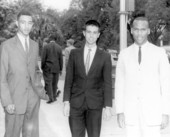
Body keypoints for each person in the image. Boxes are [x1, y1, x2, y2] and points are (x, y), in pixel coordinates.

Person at [115, 16, 170, 137]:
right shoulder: (124, 54)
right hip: (131, 116)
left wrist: (166, 112)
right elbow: (119, 84)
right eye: (136, 29)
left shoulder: (159, 53)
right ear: (132, 31)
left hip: (153, 114)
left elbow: (166, 85)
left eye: (143, 29)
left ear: (148, 31)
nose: (139, 33)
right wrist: (119, 111)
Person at [0, 10, 49, 137]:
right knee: (12, 134)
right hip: (14, 100)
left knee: (32, 134)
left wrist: (40, 91)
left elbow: (36, 70)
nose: (26, 26)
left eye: (29, 23)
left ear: (32, 25)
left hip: (33, 100)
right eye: (23, 23)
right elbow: (2, 77)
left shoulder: (35, 45)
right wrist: (7, 101)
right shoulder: (6, 46)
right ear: (17, 23)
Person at [63, 20, 113, 137]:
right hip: (76, 104)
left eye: (95, 32)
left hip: (95, 104)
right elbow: (69, 79)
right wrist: (66, 102)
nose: (91, 35)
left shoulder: (105, 57)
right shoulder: (74, 54)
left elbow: (107, 83)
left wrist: (108, 106)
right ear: (84, 33)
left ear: (98, 35)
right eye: (89, 32)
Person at [41, 35, 63, 104]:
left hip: (48, 67)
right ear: (55, 40)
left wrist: (42, 66)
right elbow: (61, 59)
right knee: (54, 82)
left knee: (48, 82)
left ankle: (51, 98)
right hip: (56, 67)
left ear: (50, 39)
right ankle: (54, 96)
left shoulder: (46, 47)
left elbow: (43, 58)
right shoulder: (59, 47)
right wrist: (61, 69)